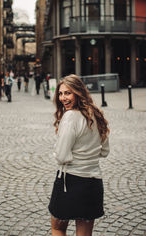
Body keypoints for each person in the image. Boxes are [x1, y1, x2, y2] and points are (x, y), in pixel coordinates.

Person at [48, 74, 110, 236]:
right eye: (60, 94)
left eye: (68, 93)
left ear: (78, 92)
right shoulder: (96, 114)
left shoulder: (70, 117)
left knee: (57, 227)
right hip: (93, 183)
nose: (63, 98)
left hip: (71, 181)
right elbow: (104, 151)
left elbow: (61, 156)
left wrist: (56, 151)